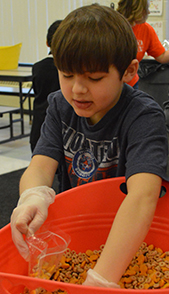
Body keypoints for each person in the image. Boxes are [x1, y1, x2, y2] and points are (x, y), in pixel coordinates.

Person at [10, 4, 168, 288]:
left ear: (128, 71)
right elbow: (41, 164)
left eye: (94, 78)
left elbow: (143, 196)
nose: (77, 89)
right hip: (79, 225)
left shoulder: (143, 115)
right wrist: (32, 196)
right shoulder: (61, 104)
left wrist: (103, 277)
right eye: (67, 75)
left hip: (129, 231)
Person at [117, 0, 169, 89]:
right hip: (112, 84)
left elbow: (162, 56)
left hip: (132, 84)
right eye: (146, 9)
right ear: (136, 10)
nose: (148, 12)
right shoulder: (114, 27)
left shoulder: (146, 29)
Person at [30, 20, 62, 152]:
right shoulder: (68, 69)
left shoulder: (37, 67)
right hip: (58, 128)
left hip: (39, 124)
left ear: (47, 43)